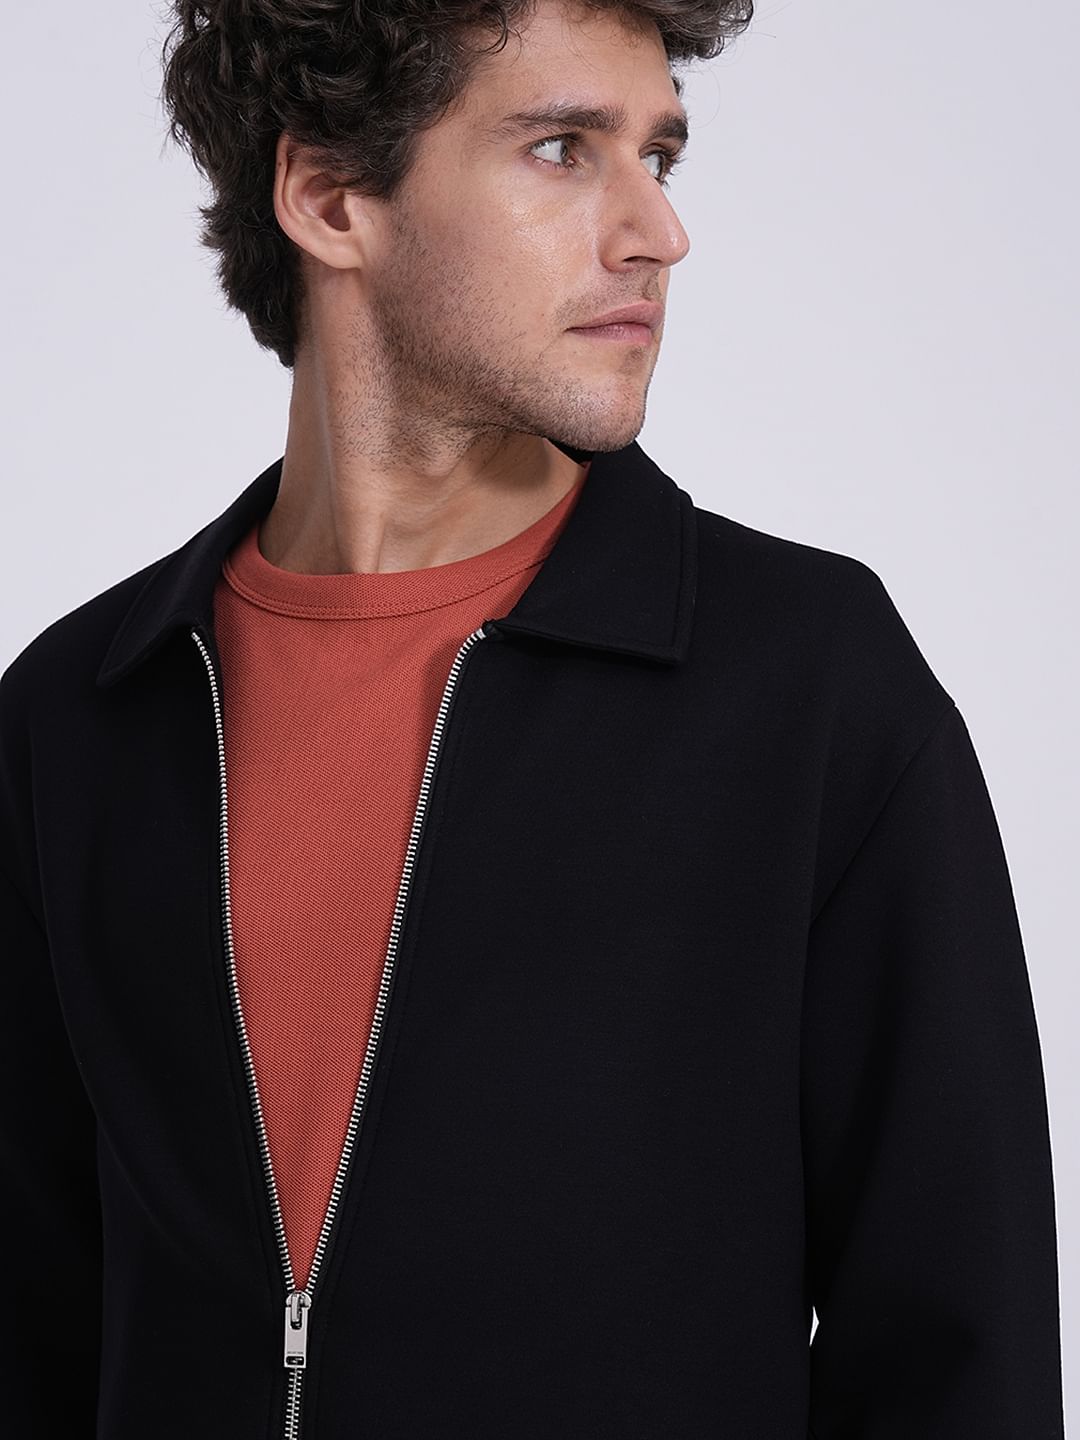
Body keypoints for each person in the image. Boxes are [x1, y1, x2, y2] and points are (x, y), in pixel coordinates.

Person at [0, 0, 1065, 1434]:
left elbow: (961, 1354)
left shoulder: (809, 687)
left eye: (658, 157)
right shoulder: (80, 715)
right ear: (330, 197)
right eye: (564, 149)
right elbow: (34, 1328)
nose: (657, 233)